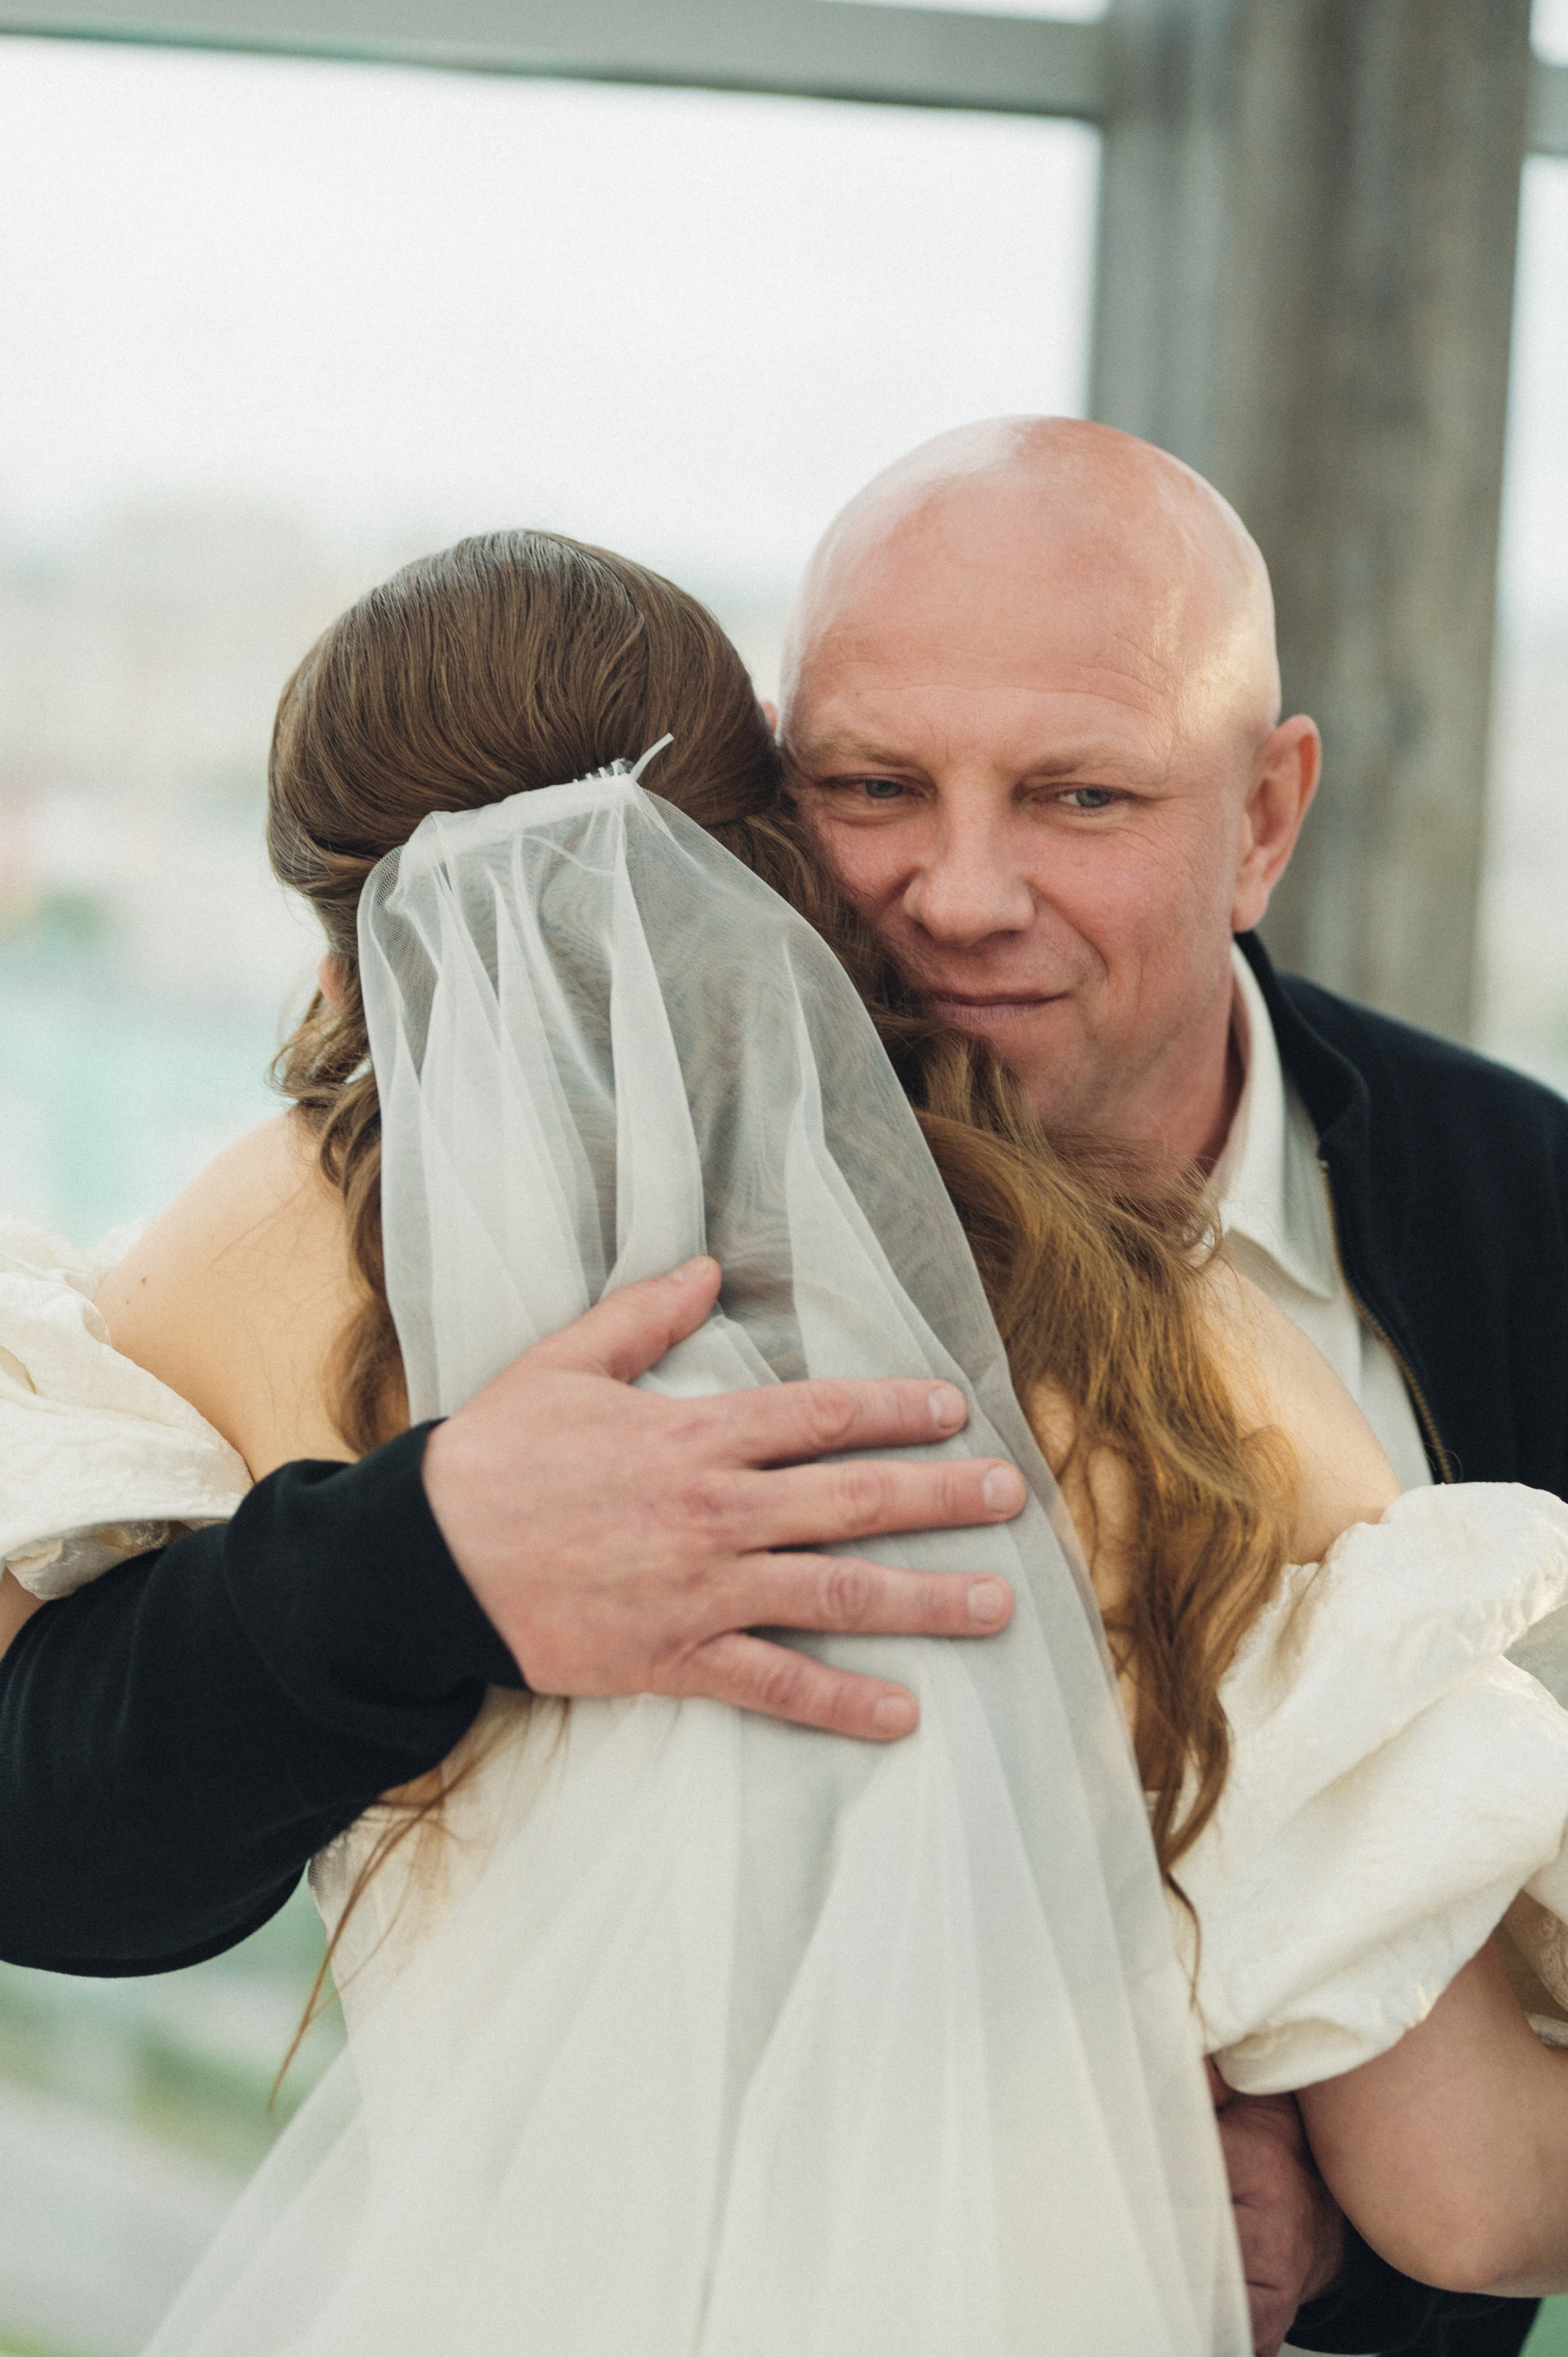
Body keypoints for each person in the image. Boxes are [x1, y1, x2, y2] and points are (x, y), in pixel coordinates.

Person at [12, 529, 1568, 2356]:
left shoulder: (257, 1264)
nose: (974, 893)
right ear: (764, 861)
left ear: (350, 961)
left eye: (1075, 794)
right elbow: (1474, 2205)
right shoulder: (1170, 1349)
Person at [775, 413, 1568, 2356]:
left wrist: (1352, 2239)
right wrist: (436, 1549)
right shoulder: (608, 1224)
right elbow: (94, 1861)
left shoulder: (1540, 1223)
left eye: (1078, 799)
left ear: (1267, 821)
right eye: (874, 786)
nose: (957, 896)